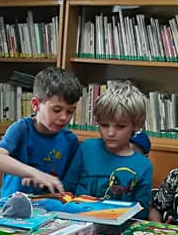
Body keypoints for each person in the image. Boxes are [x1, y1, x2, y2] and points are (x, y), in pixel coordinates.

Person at [0, 67, 83, 198]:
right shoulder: (21, 129)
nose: (64, 117)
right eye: (56, 110)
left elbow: (66, 185)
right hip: (14, 203)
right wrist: (35, 173)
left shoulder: (70, 140)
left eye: (70, 111)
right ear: (36, 104)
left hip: (49, 205)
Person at [61, 81, 153, 217]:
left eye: (120, 126)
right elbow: (66, 190)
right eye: (104, 125)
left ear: (136, 125)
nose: (110, 133)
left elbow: (141, 212)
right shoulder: (87, 148)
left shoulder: (143, 166)